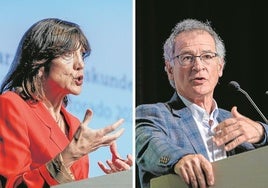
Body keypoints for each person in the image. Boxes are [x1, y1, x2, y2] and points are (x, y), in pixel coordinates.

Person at [0, 18, 133, 188]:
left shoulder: (75, 125)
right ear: (40, 63)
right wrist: (68, 156)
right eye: (68, 54)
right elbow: (11, 185)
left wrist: (115, 181)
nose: (80, 64)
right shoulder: (11, 106)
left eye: (82, 55)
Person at [135, 18, 268, 188]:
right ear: (169, 69)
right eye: (187, 57)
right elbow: (150, 145)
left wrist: (261, 131)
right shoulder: (153, 114)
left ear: (220, 67)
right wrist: (180, 159)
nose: (198, 66)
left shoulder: (235, 122)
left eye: (207, 56)